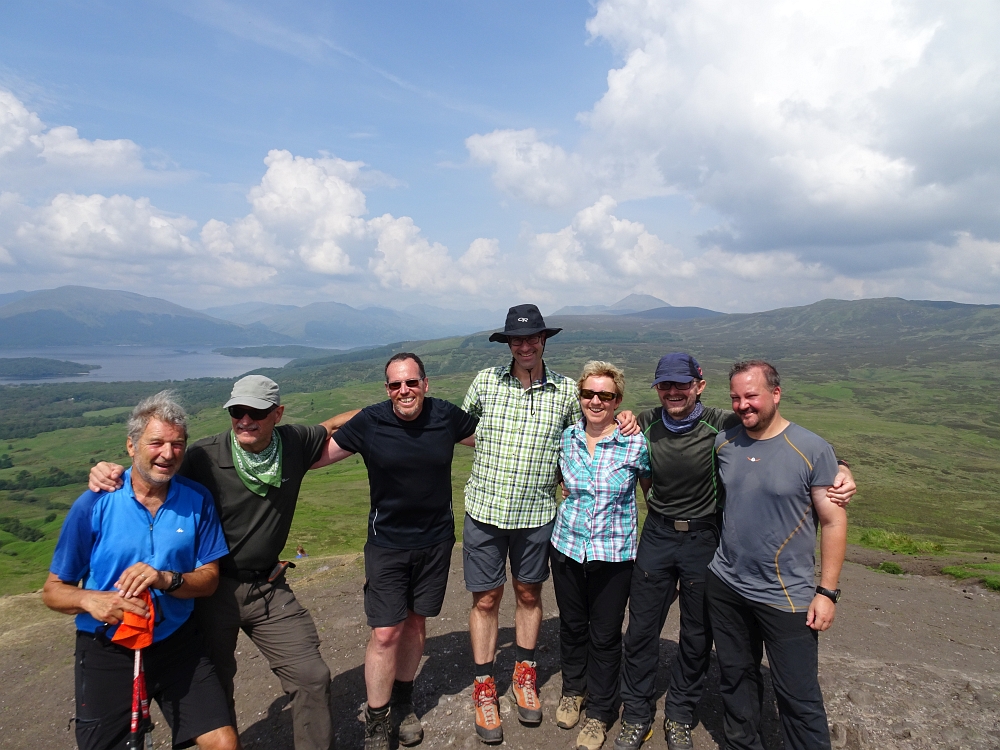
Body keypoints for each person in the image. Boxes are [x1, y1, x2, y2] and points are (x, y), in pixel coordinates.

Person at [88, 375, 352, 750]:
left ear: (277, 414)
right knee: (215, 688)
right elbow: (154, 472)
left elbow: (334, 425)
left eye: (256, 412)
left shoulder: (293, 442)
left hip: (269, 587)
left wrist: (397, 404)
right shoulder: (202, 457)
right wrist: (109, 471)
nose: (245, 419)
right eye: (237, 411)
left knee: (311, 675)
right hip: (212, 591)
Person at [615, 353, 855, 750]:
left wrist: (841, 467)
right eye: (664, 385)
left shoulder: (724, 423)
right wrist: (622, 415)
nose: (672, 392)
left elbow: (793, 443)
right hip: (662, 537)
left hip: (705, 539)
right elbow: (612, 433)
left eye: (681, 384)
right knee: (641, 631)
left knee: (697, 635)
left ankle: (680, 714)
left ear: (699, 386)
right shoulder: (647, 421)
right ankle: (637, 714)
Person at [461, 304, 639, 744]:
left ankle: (524, 673)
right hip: (484, 508)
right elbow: (462, 426)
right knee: (485, 599)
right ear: (508, 344)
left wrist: (627, 418)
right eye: (516, 339)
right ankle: (484, 686)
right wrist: (493, 447)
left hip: (537, 515)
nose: (525, 346)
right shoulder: (485, 381)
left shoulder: (564, 392)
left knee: (528, 593)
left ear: (544, 341)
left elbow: (591, 430)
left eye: (532, 338)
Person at [44, 391, 238, 750]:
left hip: (176, 642)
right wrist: (91, 600)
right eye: (156, 443)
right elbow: (53, 590)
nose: (168, 453)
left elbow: (210, 579)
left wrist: (166, 579)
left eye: (177, 444)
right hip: (108, 646)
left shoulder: (197, 499)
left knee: (224, 743)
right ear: (131, 446)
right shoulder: (94, 504)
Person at [308, 352, 478, 750]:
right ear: (387, 389)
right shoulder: (370, 421)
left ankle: (404, 701)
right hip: (387, 544)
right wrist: (327, 424)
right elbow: (316, 459)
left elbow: (498, 438)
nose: (405, 390)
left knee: (416, 624)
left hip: (435, 541)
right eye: (396, 384)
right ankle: (377, 717)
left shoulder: (445, 416)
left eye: (412, 382)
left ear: (425, 384)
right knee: (385, 633)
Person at [706, 360, 848, 750]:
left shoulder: (812, 449)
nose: (742, 405)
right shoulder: (725, 443)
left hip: (786, 596)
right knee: (736, 678)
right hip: (727, 585)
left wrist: (827, 592)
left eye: (751, 395)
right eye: (735, 397)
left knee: (798, 696)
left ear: (776, 393)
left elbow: (833, 521)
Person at [550, 362, 650, 750]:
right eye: (588, 393)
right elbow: (561, 482)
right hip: (567, 547)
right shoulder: (567, 438)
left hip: (613, 554)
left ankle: (600, 712)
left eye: (605, 395)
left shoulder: (635, 443)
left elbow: (651, 493)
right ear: (580, 397)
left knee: (605, 635)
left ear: (617, 401)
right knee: (573, 626)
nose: (596, 401)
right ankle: (574, 690)